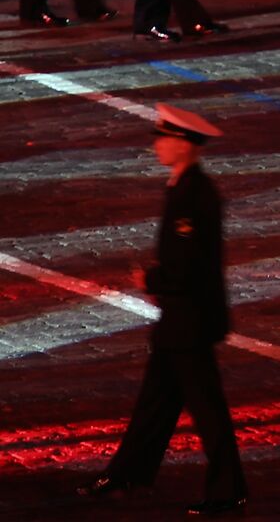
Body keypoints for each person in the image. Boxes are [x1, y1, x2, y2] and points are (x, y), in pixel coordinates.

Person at [77, 104, 247, 517]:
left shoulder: (193, 194)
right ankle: (127, 472)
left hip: (190, 320)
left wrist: (152, 283)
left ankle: (227, 490)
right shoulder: (183, 186)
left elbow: (190, 262)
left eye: (164, 138)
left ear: (184, 144)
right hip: (181, 317)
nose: (158, 145)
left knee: (207, 411)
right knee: (155, 402)